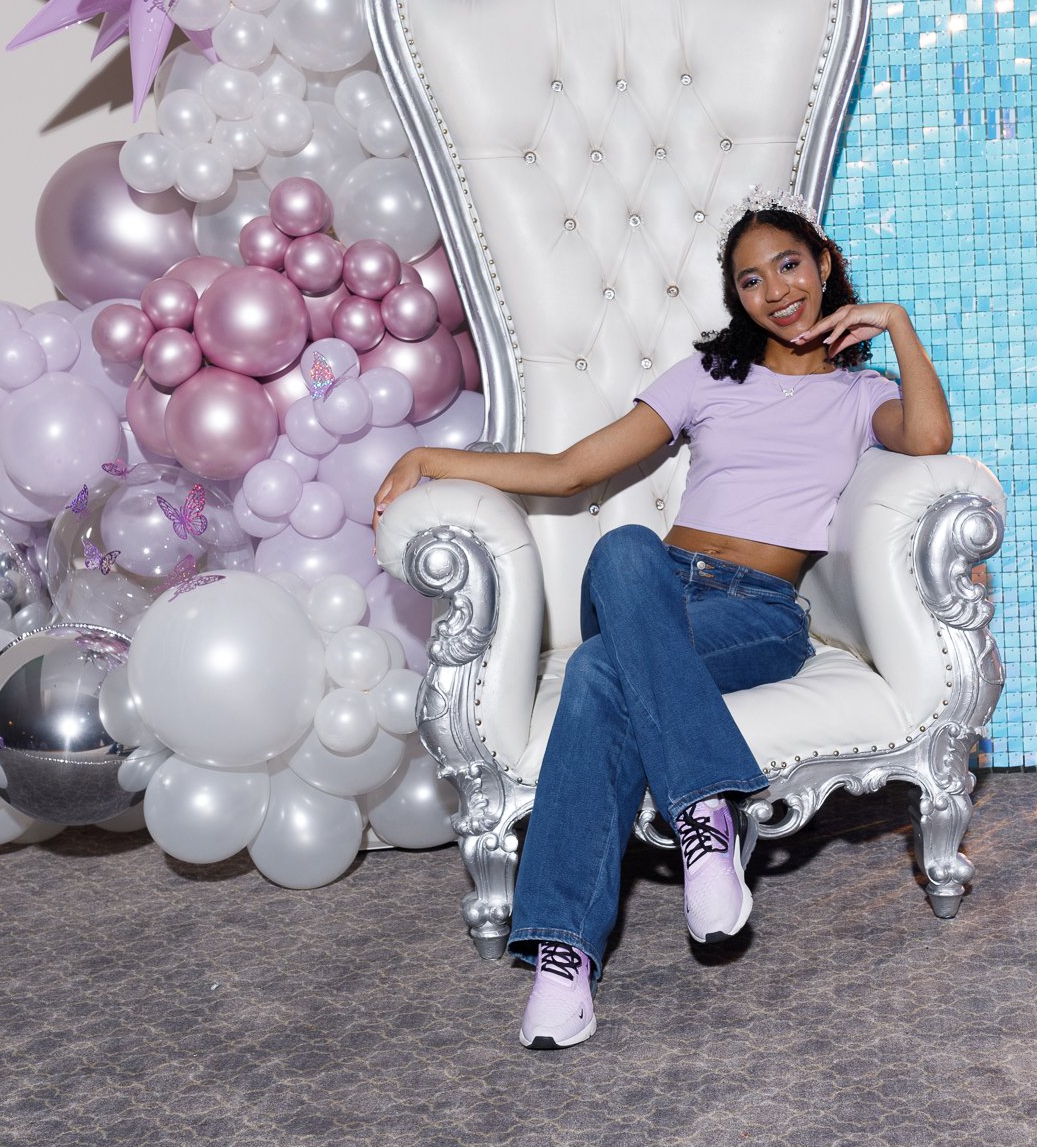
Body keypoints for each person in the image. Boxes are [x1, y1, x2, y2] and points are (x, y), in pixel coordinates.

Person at [371, 187, 957, 1049]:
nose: (777, 291)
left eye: (789, 265)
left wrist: (899, 326)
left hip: (754, 611)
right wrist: (431, 455)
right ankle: (706, 815)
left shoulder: (859, 396)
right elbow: (572, 471)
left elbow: (932, 440)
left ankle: (563, 961)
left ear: (825, 264)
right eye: (752, 281)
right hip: (655, 584)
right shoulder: (705, 379)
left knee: (601, 676)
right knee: (622, 546)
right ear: (738, 299)